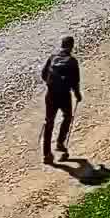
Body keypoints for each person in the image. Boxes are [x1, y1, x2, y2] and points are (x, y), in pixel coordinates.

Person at [39, 35, 82, 163]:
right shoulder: (72, 61)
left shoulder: (52, 57)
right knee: (68, 116)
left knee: (49, 122)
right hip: (64, 95)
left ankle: (46, 154)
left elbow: (43, 74)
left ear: (61, 45)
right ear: (71, 46)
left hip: (51, 94)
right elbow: (75, 81)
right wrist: (77, 94)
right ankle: (60, 142)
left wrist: (51, 85)